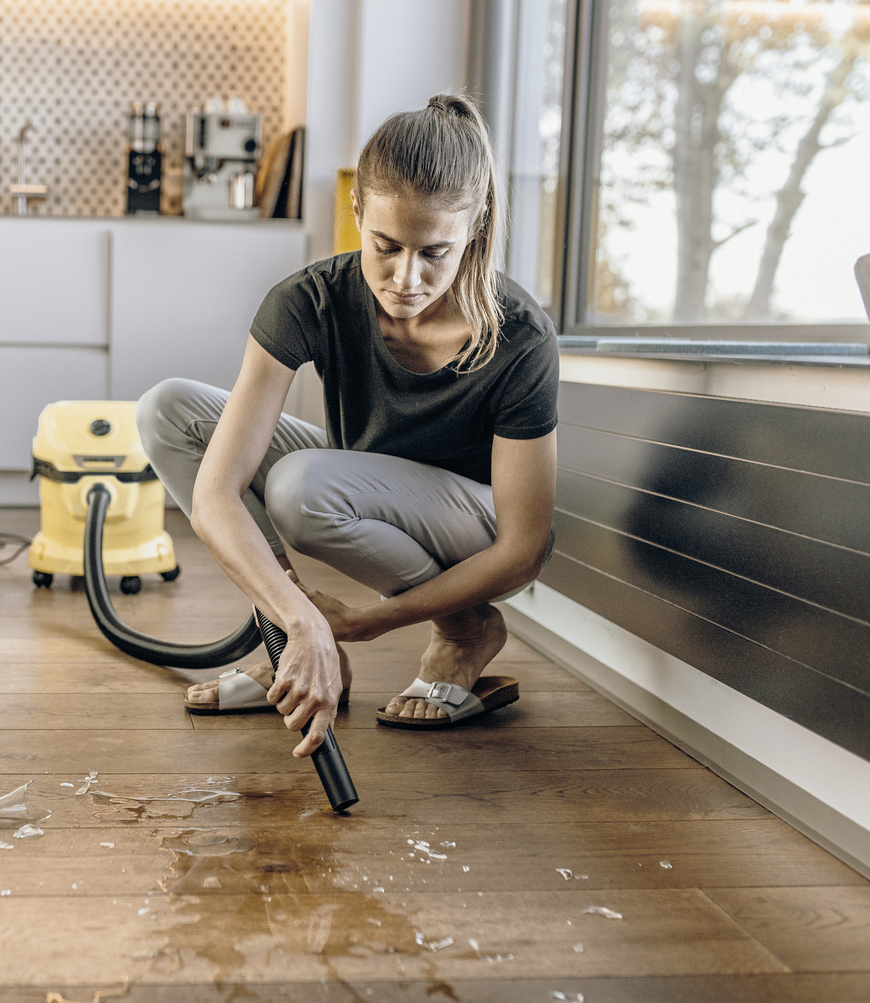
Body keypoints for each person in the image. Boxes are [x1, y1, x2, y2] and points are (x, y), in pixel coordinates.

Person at [137, 92, 558, 759]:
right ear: (357, 211)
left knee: (302, 487)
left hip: (474, 526)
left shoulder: (520, 334)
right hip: (361, 479)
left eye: (435, 253)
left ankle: (462, 633)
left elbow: (524, 548)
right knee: (168, 408)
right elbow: (217, 492)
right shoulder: (309, 300)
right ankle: (289, 648)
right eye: (386, 246)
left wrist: (362, 622)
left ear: (474, 230)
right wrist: (301, 621)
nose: (407, 278)